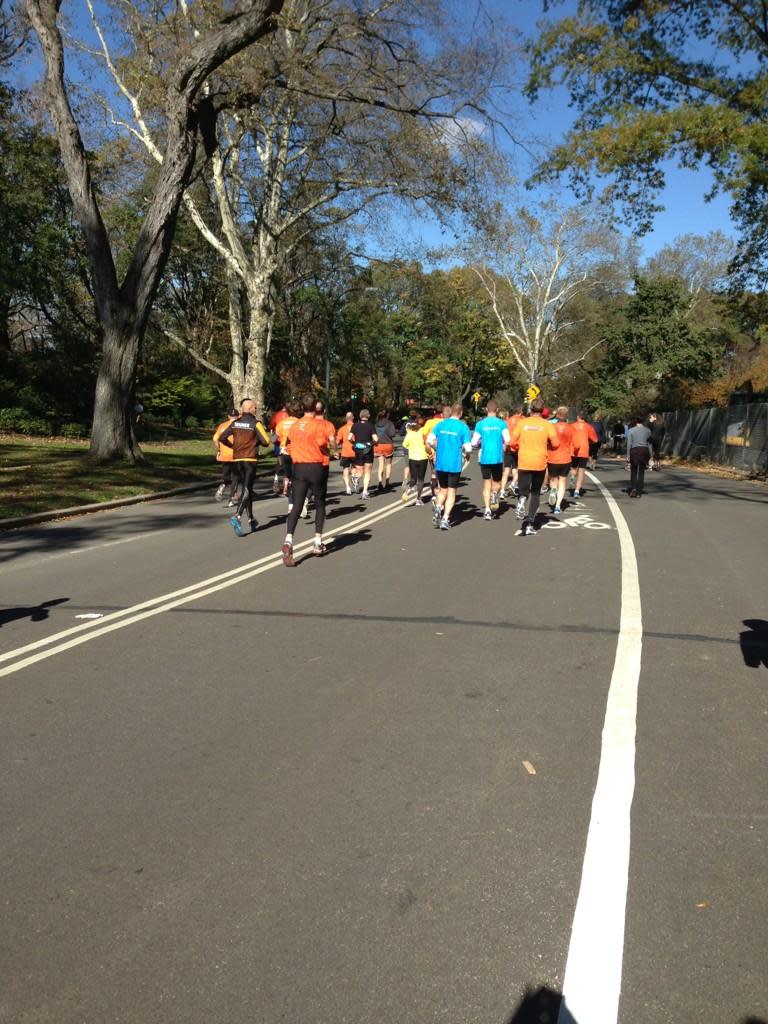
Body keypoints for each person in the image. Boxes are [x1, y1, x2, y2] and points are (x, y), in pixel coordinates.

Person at [281, 394, 336, 565]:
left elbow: (287, 445)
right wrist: (331, 449)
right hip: (315, 467)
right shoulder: (319, 425)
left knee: (297, 506)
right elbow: (324, 444)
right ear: (316, 407)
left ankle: (288, 539)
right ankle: (318, 542)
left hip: (298, 468)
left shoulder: (295, 425)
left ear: (302, 407)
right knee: (319, 502)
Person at [217, 399, 271, 535]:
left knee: (247, 490)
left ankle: (251, 519)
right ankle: (237, 516)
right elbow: (266, 441)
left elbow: (222, 438)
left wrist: (233, 446)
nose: (256, 409)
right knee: (247, 489)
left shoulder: (235, 423)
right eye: (255, 407)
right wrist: (255, 440)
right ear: (251, 408)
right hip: (250, 459)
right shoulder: (255, 423)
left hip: (237, 460)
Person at [509, 397, 559, 536]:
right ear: (542, 411)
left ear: (531, 409)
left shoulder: (522, 423)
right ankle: (530, 523)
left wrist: (520, 447)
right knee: (536, 493)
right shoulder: (547, 425)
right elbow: (556, 444)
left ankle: (522, 500)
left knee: (523, 489)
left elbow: (512, 442)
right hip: (539, 462)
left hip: (524, 460)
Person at [427, 403, 472, 530]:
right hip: (454, 464)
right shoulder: (463, 427)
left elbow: (430, 441)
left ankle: (438, 508)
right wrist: (466, 455)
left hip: (440, 463)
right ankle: (445, 519)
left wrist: (438, 448)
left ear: (451, 412)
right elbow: (468, 448)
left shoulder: (440, 424)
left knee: (443, 490)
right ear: (461, 413)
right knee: (452, 491)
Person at [471, 400, 510, 520]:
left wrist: (478, 445)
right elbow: (508, 440)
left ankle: (487, 510)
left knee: (486, 483)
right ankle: (494, 494)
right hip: (497, 458)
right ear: (497, 410)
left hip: (485, 458)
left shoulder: (480, 424)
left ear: (486, 410)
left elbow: (473, 443)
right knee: (497, 483)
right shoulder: (502, 423)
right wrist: (504, 447)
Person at [546, 406, 574, 514]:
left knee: (553, 480)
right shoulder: (571, 428)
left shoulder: (551, 427)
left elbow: (547, 441)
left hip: (552, 457)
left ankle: (553, 489)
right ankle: (557, 506)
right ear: (567, 416)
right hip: (565, 458)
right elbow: (575, 445)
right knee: (562, 481)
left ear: (557, 415)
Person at [401, 413, 430, 504]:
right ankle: (418, 499)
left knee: (413, 478)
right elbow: (428, 443)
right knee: (421, 479)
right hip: (423, 457)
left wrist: (412, 448)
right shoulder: (424, 432)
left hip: (413, 458)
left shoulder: (410, 432)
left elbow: (404, 444)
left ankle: (408, 489)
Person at [349, 409, 378, 498]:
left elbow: (349, 438)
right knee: (368, 471)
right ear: (368, 416)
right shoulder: (371, 426)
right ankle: (365, 491)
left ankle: (355, 477)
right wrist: (372, 443)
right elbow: (376, 439)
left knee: (360, 470)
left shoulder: (355, 425)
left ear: (360, 416)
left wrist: (355, 444)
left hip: (358, 450)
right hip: (368, 450)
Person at [569, 410, 598, 498]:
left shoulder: (571, 426)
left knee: (573, 467)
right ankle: (577, 491)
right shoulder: (589, 427)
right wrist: (588, 441)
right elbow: (595, 440)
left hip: (573, 450)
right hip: (584, 450)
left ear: (577, 417)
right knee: (581, 470)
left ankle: (572, 476)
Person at [275, 402, 299, 506]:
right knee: (296, 477)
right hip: (295, 452)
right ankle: (293, 502)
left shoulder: (281, 423)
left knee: (287, 473)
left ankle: (286, 484)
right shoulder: (299, 422)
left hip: (283, 451)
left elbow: (276, 437)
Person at [213, 408, 238, 503]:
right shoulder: (238, 426)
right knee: (235, 476)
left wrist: (219, 450)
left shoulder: (222, 426)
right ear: (238, 416)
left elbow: (216, 439)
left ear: (228, 416)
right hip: (236, 454)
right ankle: (232, 497)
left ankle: (223, 486)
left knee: (226, 476)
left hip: (224, 455)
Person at [626, 415, 652, 497]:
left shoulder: (631, 430)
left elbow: (629, 443)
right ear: (643, 421)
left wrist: (627, 455)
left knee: (633, 471)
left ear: (635, 421)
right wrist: (650, 454)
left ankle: (633, 488)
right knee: (641, 471)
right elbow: (649, 443)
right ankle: (639, 491)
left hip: (635, 451)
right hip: (644, 451)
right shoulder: (647, 430)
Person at [501, 404, 524, 498]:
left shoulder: (507, 421)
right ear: (521, 412)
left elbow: (504, 434)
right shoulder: (523, 421)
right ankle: (513, 484)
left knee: (506, 470)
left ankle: (502, 491)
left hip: (508, 447)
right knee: (517, 468)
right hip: (518, 447)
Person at [374, 409, 397, 491]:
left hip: (378, 445)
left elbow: (373, 434)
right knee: (388, 464)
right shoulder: (390, 423)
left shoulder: (376, 424)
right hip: (388, 445)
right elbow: (393, 434)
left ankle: (380, 482)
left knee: (380, 464)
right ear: (387, 415)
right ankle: (387, 483)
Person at [269, 403, 289, 490]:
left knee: (280, 462)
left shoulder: (276, 415)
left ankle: (276, 480)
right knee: (287, 463)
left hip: (279, 441)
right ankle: (286, 483)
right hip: (288, 442)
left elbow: (271, 426)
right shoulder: (292, 415)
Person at [336, 411, 356, 494]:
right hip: (355, 452)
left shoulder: (342, 429)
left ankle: (348, 488)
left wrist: (334, 449)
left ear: (346, 419)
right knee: (355, 468)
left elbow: (337, 441)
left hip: (345, 453)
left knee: (346, 469)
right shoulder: (357, 427)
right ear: (353, 418)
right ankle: (355, 483)